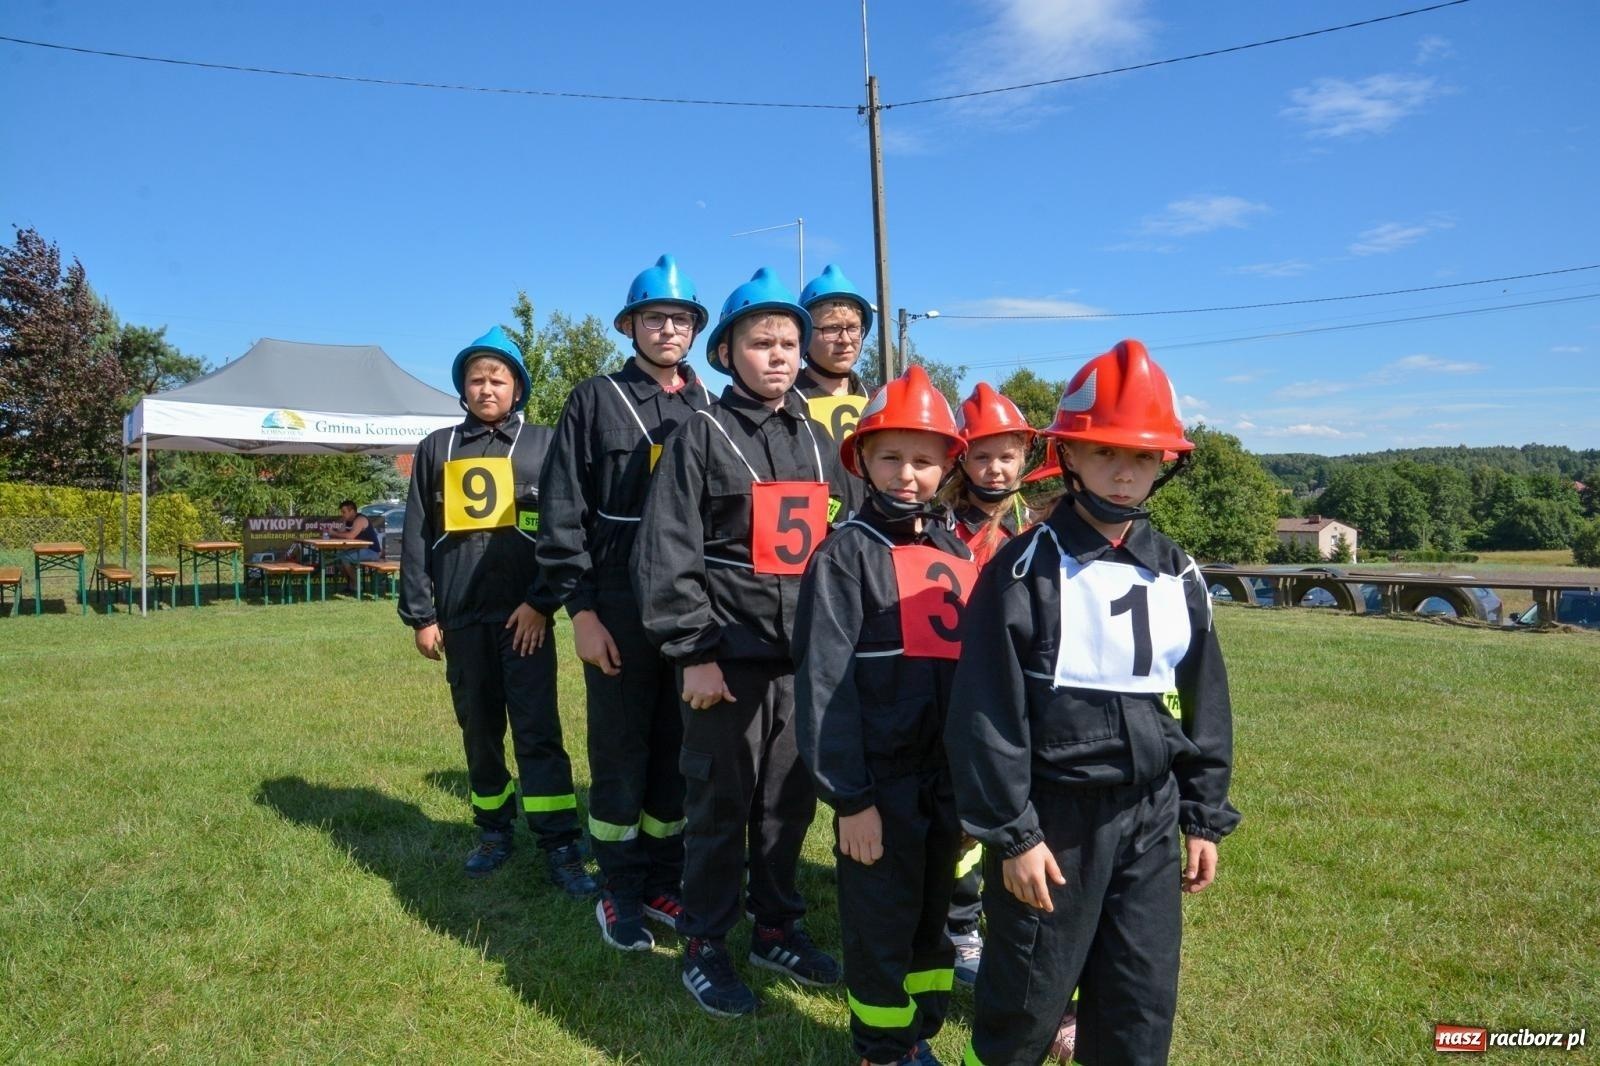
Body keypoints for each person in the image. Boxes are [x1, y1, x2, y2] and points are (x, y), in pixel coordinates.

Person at [946, 339, 1241, 1066]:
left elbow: (1207, 703)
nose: (1124, 470)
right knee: (1028, 998)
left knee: (1139, 1002)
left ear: (1163, 465)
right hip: (1054, 821)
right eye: (1105, 451)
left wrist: (1202, 816)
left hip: (1150, 816)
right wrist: (1013, 835)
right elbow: (986, 715)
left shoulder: (1179, 573)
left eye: (1142, 456)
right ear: (1069, 457)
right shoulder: (1022, 570)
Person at [633, 267, 848, 1018]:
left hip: (805, 666)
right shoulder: (700, 434)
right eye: (763, 342)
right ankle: (706, 944)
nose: (781, 355)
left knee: (789, 806)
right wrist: (693, 652)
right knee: (720, 806)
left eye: (791, 341)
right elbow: (667, 552)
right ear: (726, 352)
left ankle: (777, 927)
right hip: (724, 665)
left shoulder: (822, 444)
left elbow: (841, 555)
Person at [794, 365, 974, 1066]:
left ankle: (919, 1033)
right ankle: (881, 1048)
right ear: (862, 458)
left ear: (947, 466)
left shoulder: (954, 553)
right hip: (879, 789)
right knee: (880, 924)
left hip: (945, 785)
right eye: (892, 456)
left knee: (932, 921)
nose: (908, 474)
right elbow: (824, 687)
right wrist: (852, 800)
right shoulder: (843, 558)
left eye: (925, 460)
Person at [537, 255, 714, 952]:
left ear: (696, 329)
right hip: (614, 601)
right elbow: (561, 513)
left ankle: (663, 876)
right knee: (620, 749)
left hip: (690, 600)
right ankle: (619, 886)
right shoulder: (593, 400)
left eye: (680, 318)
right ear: (630, 326)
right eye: (654, 317)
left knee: (679, 748)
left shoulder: (710, 408)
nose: (668, 329)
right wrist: (579, 611)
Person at [398, 325, 597, 896]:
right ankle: (492, 831)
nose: (487, 388)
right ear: (462, 388)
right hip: (461, 618)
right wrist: (422, 615)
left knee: (539, 731)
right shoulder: (438, 446)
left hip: (526, 622)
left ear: (518, 387)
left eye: (498, 379)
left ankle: (559, 842)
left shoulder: (545, 442)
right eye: (476, 379)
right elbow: (416, 533)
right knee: (479, 731)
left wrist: (541, 605)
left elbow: (566, 531)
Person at [799, 263, 875, 519]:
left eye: (853, 327)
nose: (845, 339)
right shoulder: (785, 402)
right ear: (805, 334)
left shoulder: (879, 401)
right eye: (832, 328)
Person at [332, 499, 381, 591]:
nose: (342, 514)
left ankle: (357, 586)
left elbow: (350, 536)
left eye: (344, 512)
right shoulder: (347, 521)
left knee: (345, 558)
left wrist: (334, 533)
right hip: (360, 549)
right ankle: (351, 584)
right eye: (341, 512)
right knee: (338, 559)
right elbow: (341, 534)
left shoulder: (360, 519)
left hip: (372, 551)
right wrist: (338, 528)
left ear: (352, 511)